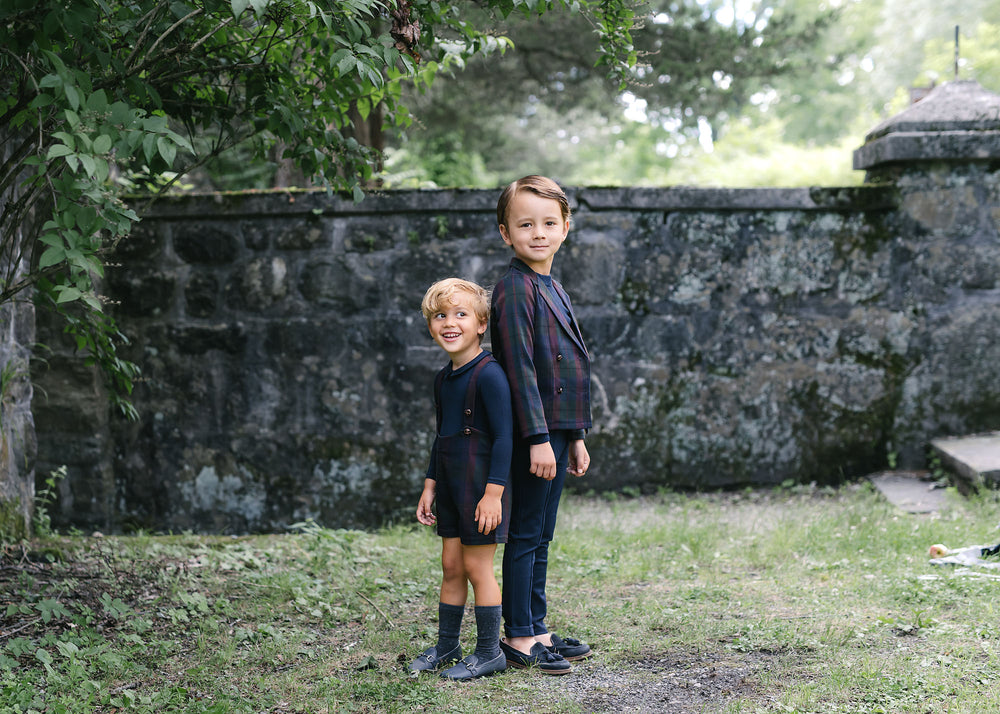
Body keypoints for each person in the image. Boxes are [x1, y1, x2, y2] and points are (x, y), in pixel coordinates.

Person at [491, 175, 594, 675]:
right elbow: (520, 369)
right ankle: (517, 635)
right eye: (525, 223)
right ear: (506, 233)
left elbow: (570, 368)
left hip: (556, 431)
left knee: (542, 533)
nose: (539, 232)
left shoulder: (551, 285)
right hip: (535, 434)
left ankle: (538, 627)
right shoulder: (514, 288)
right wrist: (537, 439)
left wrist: (574, 436)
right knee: (526, 533)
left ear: (566, 227)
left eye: (549, 222)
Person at [408, 278, 513, 681]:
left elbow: (505, 438)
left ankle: (489, 652)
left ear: (481, 323)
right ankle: (447, 645)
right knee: (451, 564)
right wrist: (430, 485)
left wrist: (493, 494)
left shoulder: (489, 376)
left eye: (460, 314)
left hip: (481, 485)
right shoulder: (443, 379)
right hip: (451, 484)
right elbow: (443, 436)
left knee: (477, 567)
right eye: (440, 315)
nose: (449, 323)